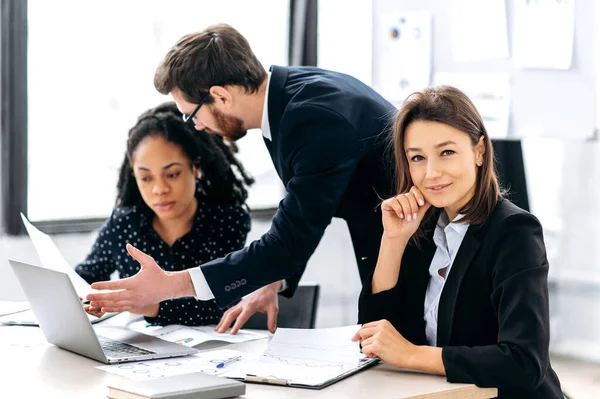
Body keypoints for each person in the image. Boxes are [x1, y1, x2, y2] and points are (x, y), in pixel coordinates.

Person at [86, 23, 397, 333]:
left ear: (220, 97)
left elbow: (289, 239)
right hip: (392, 238)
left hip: (418, 243)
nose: (195, 127)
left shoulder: (310, 119)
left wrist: (168, 285)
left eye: (192, 115)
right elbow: (310, 210)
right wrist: (272, 279)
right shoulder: (290, 99)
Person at [351, 86, 563, 398]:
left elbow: (524, 361)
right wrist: (393, 242)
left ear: (479, 151)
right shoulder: (420, 226)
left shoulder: (514, 231)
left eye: (446, 152)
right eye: (418, 158)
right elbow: (376, 336)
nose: (431, 173)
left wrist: (412, 354)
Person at [76, 102, 253, 326]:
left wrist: (149, 305)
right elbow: (83, 280)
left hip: (215, 350)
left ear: (195, 167)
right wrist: (88, 301)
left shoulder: (227, 221)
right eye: (146, 178)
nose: (159, 189)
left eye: (172, 174)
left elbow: (223, 303)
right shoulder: (123, 224)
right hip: (140, 353)